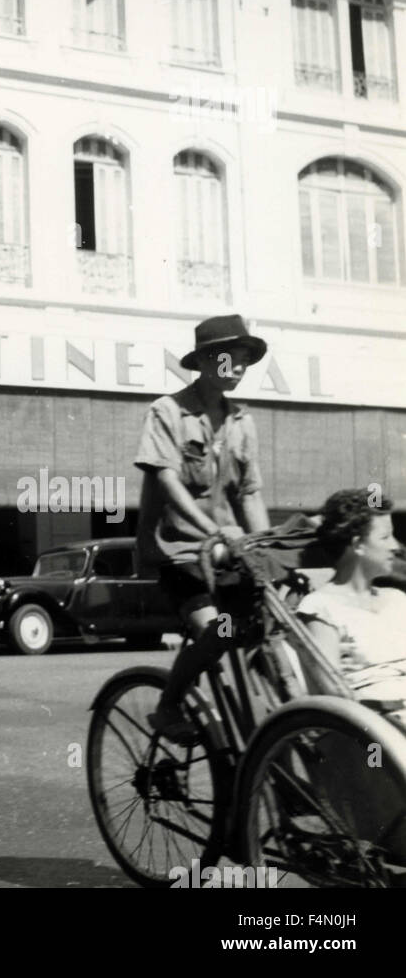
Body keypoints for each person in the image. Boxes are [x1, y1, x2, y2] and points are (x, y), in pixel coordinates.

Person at [135, 314, 272, 741]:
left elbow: (250, 494)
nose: (239, 367)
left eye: (246, 360)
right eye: (233, 357)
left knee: (264, 635)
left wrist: (263, 550)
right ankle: (169, 704)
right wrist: (214, 529)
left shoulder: (242, 422)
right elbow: (167, 479)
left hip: (228, 552)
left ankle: (264, 748)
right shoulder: (168, 411)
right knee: (221, 632)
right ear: (208, 360)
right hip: (180, 553)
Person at [298, 489, 406, 721]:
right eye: (385, 537)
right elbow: (332, 695)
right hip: (376, 730)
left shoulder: (398, 599)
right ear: (358, 545)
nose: (396, 546)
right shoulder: (321, 607)